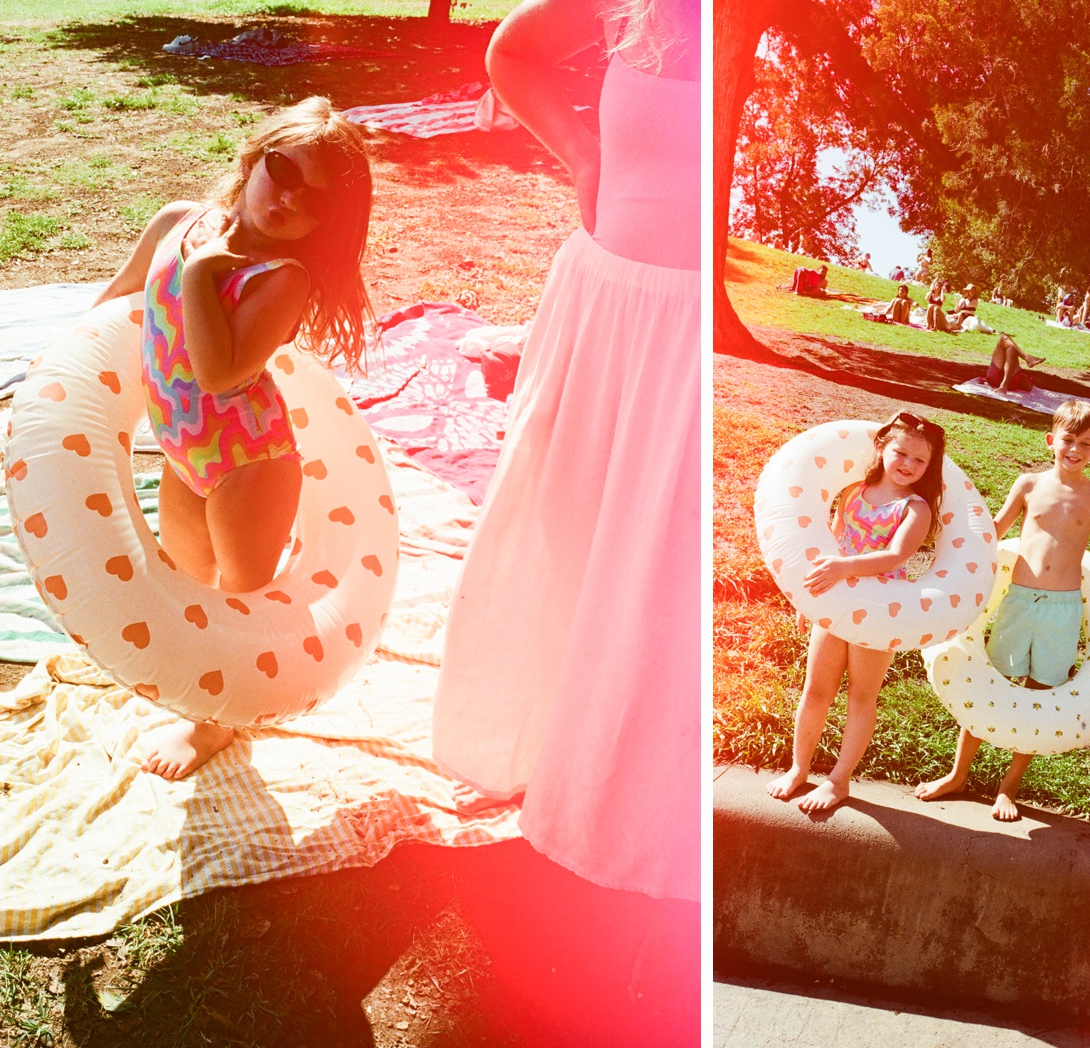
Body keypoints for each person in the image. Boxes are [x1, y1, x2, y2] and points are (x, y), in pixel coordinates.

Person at [433, 0, 701, 914]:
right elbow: (513, 52)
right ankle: (518, 740)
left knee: (652, 563)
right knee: (560, 519)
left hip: (689, 337)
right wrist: (584, 155)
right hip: (602, 301)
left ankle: (607, 795)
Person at [91, 96, 374, 780]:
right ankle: (199, 688)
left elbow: (218, 376)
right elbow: (115, 306)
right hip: (184, 456)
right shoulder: (175, 225)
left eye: (316, 202)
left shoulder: (282, 280)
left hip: (250, 464)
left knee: (244, 600)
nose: (288, 201)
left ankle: (222, 723)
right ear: (254, 158)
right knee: (189, 581)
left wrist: (198, 273)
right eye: (282, 171)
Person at [915, 401, 1090, 819]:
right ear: (1051, 440)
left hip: (1062, 610)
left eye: (1086, 443)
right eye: (1069, 440)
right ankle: (957, 774)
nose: (1075, 449)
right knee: (990, 684)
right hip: (1019, 600)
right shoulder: (1028, 484)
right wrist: (946, 560)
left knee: (1040, 694)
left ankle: (1009, 787)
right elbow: (993, 534)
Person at [766, 412, 945, 812]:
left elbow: (896, 554)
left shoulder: (915, 508)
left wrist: (844, 569)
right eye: (901, 452)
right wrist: (808, 603)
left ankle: (839, 779)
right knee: (816, 690)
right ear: (881, 446)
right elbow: (829, 541)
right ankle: (799, 768)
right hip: (835, 605)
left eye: (920, 461)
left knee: (862, 696)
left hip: (879, 613)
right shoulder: (852, 493)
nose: (908, 465)